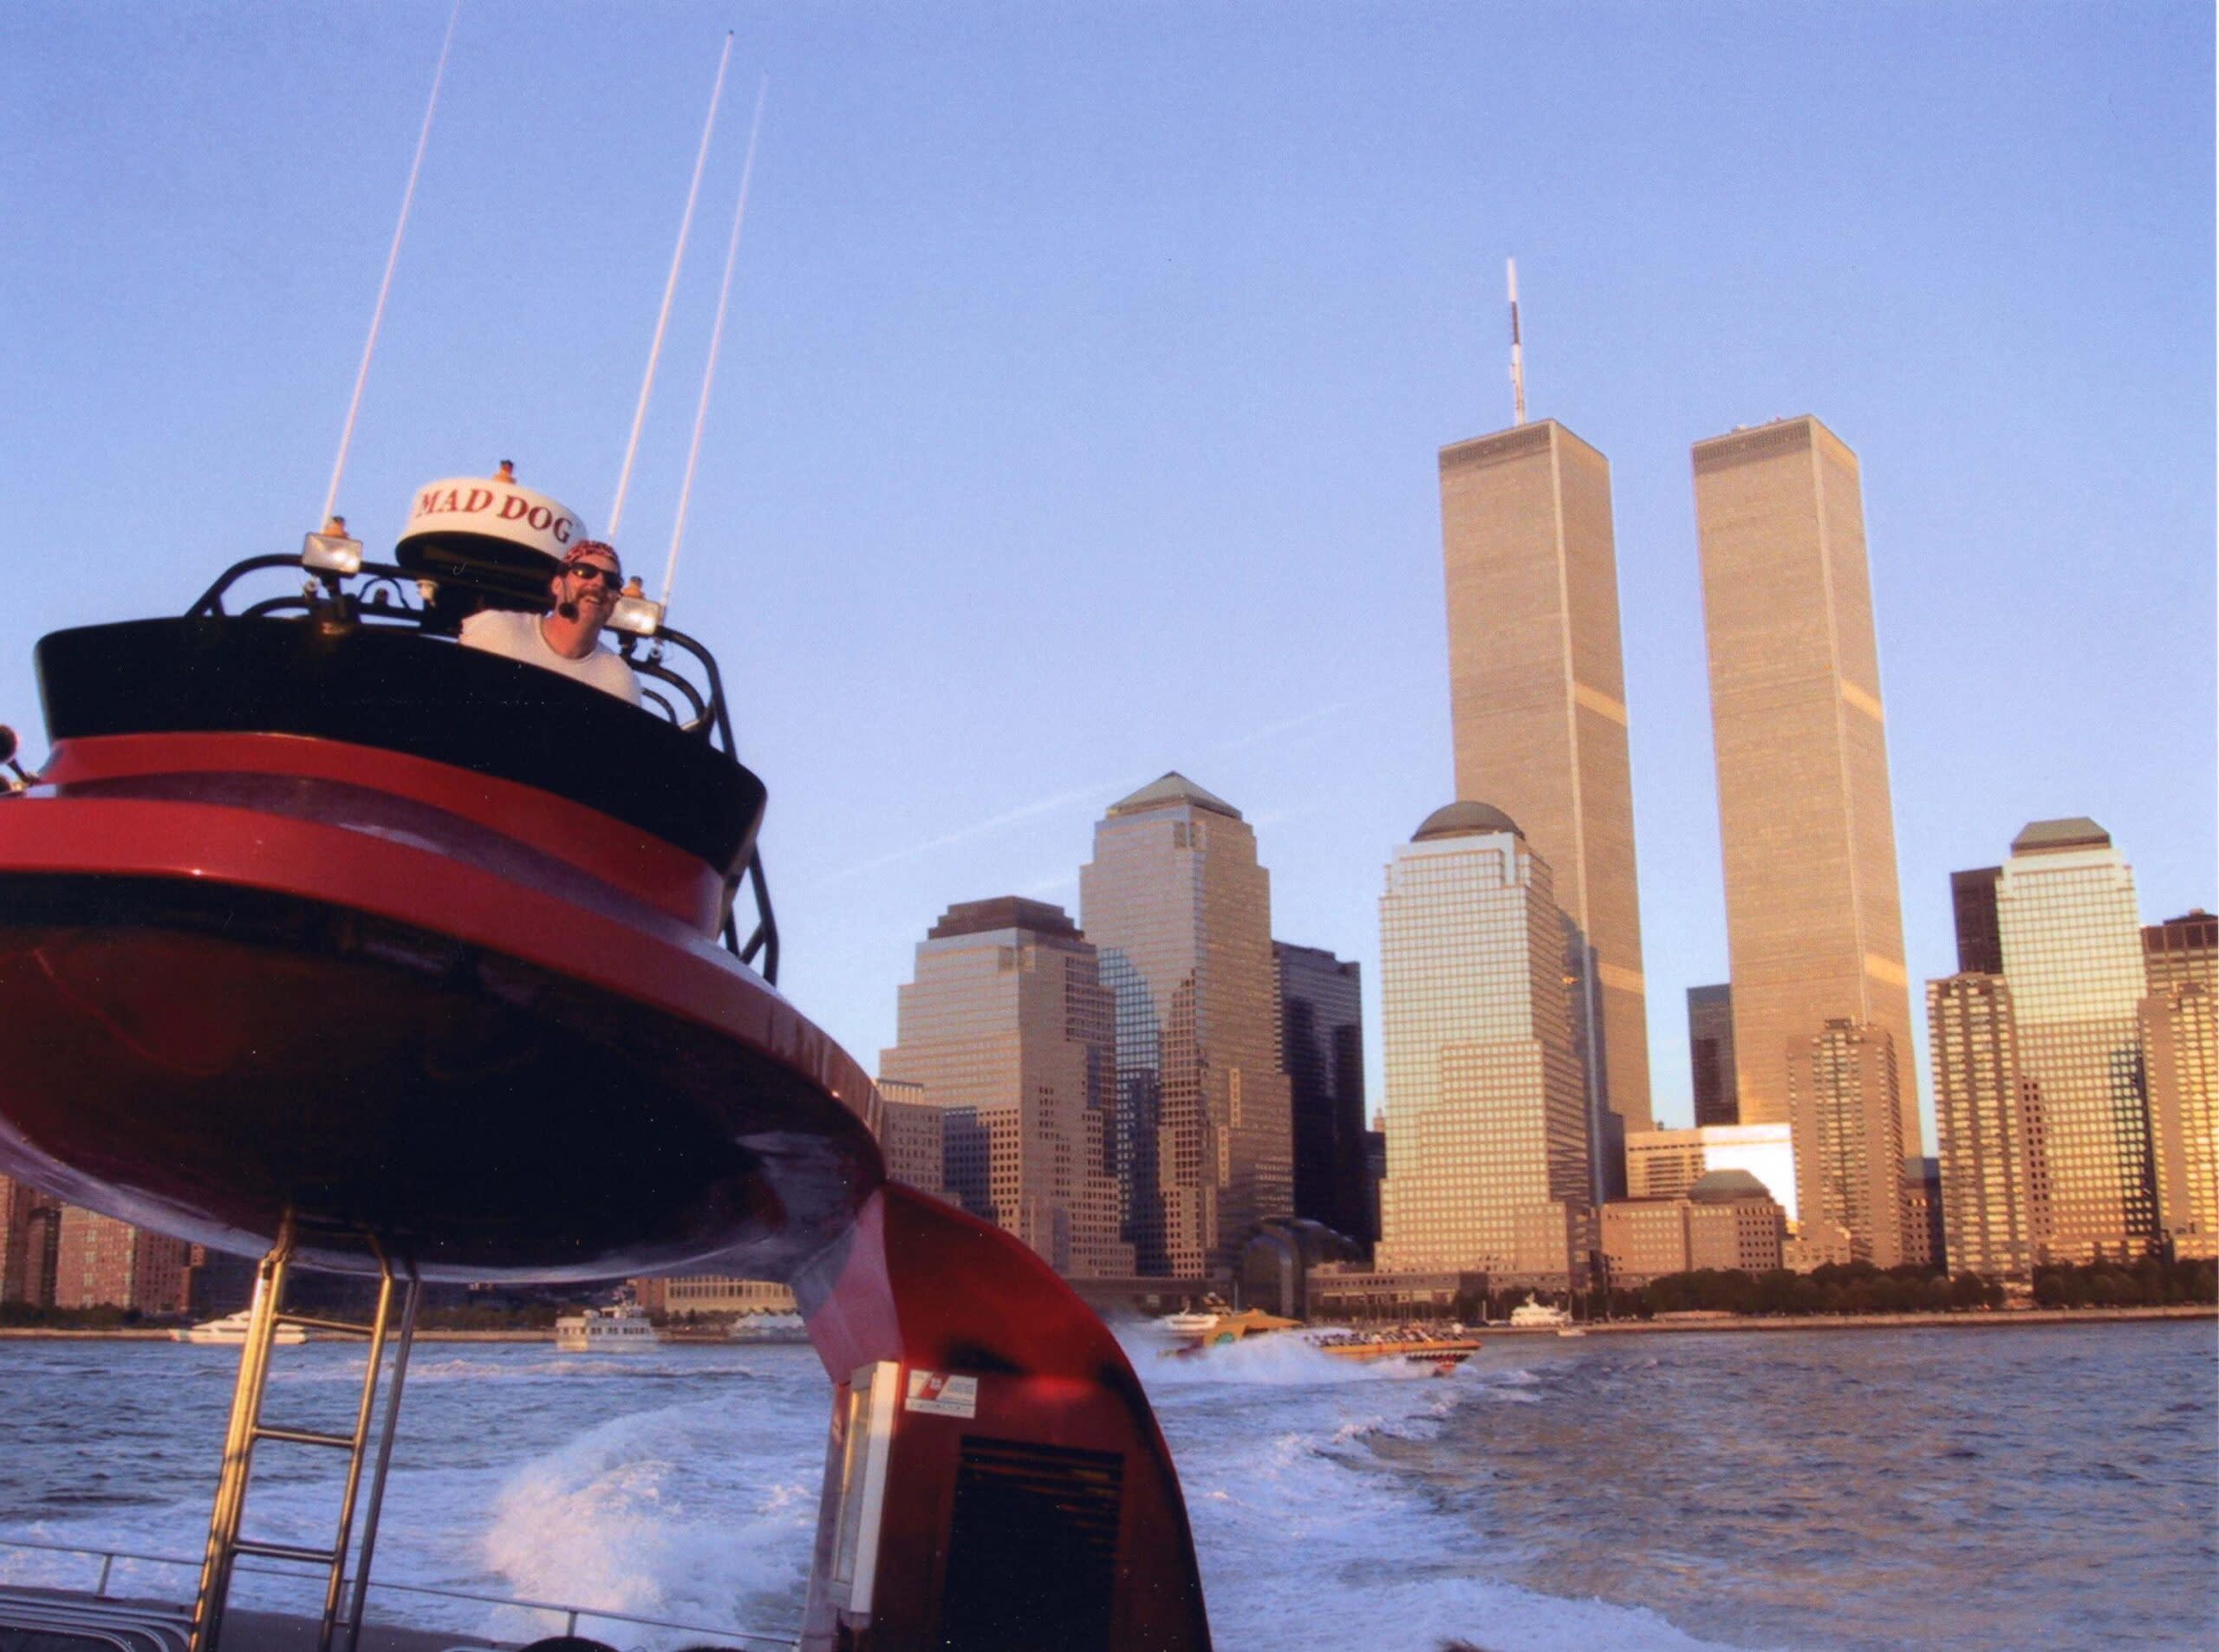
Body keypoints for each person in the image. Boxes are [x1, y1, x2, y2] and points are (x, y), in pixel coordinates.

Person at [459, 539, 642, 706]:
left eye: (612, 581)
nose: (599, 583)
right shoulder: (496, 629)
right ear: (557, 585)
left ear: (616, 599)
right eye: (585, 572)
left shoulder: (620, 682)